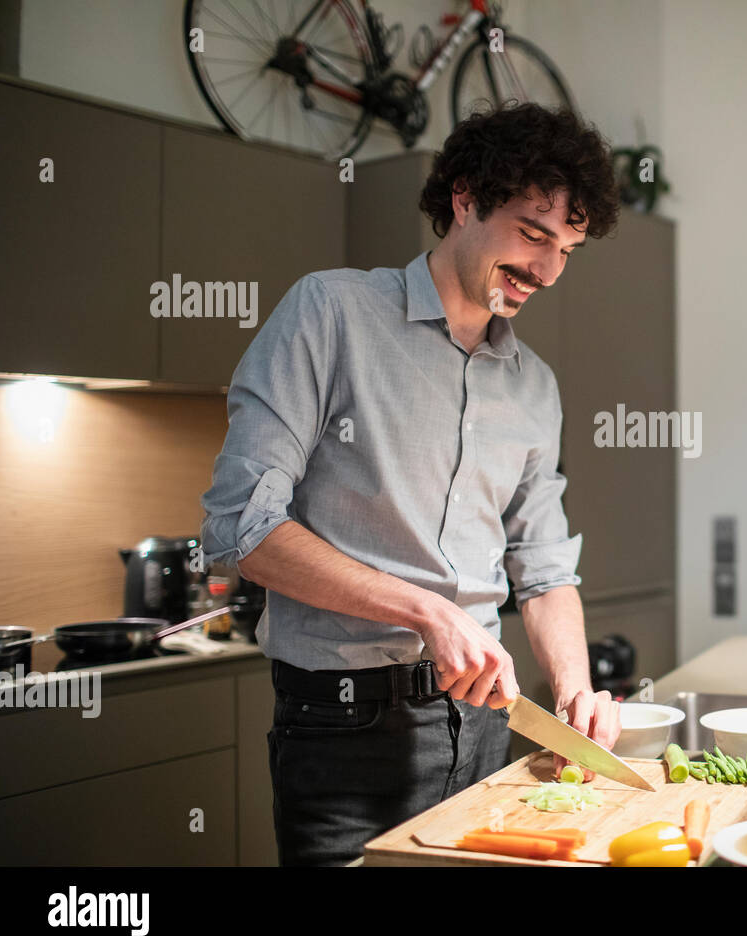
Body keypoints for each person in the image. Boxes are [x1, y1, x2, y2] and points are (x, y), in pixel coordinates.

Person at [200, 104, 624, 866]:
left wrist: (573, 690)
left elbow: (545, 565)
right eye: (533, 233)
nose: (548, 270)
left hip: (491, 726)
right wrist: (425, 609)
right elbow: (241, 525)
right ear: (464, 198)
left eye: (569, 248)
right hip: (344, 732)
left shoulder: (535, 387)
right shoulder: (329, 314)